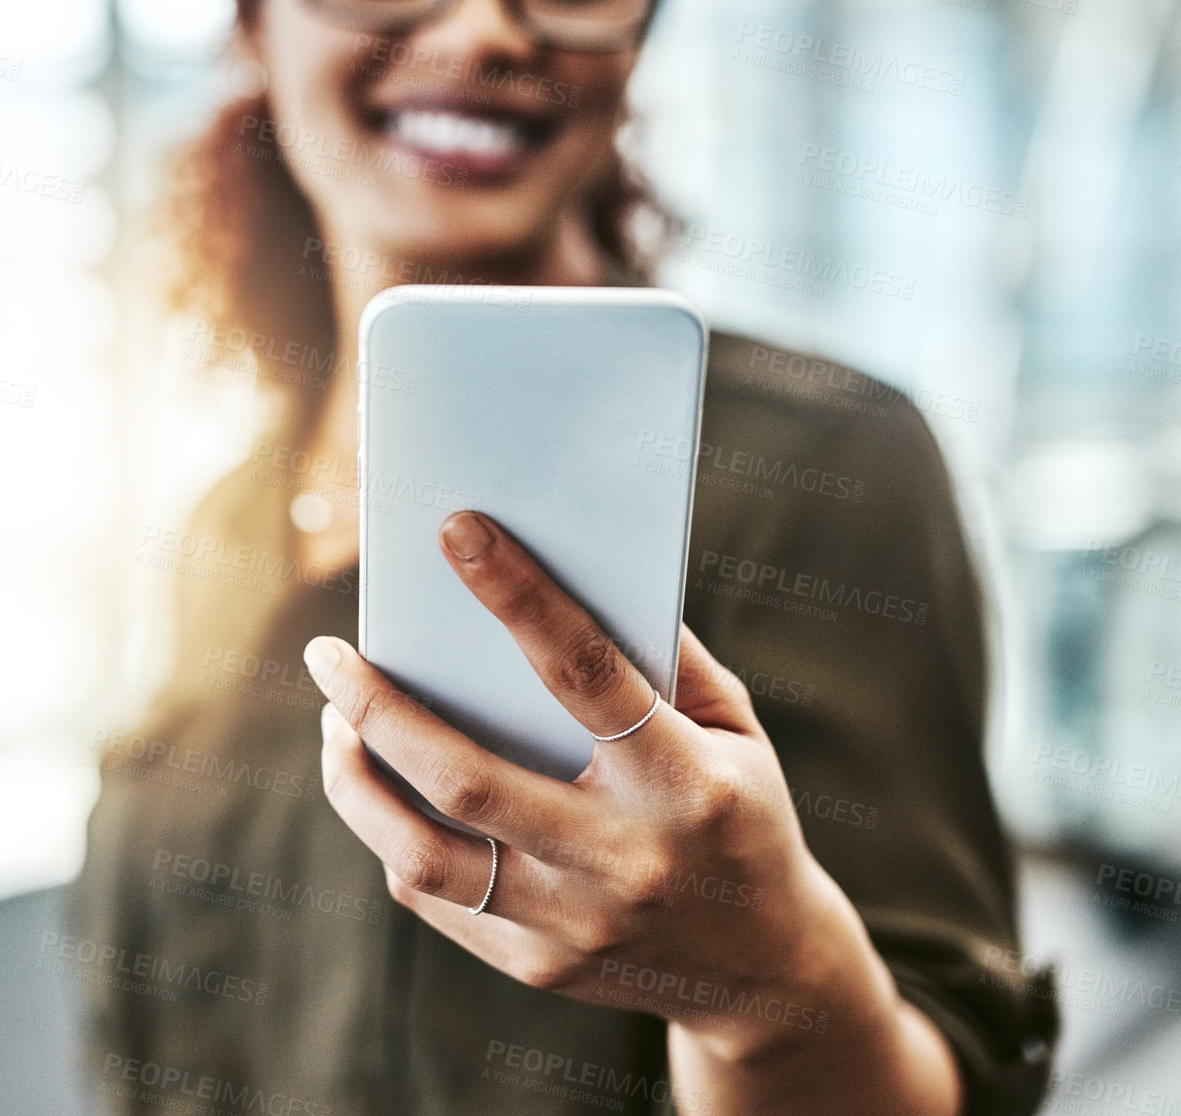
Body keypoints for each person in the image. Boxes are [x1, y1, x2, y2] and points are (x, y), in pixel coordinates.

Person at [74, 0, 1058, 1112]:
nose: (492, 29)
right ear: (252, 26)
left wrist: (763, 992)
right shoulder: (221, 524)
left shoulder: (821, 465)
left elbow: (949, 1069)